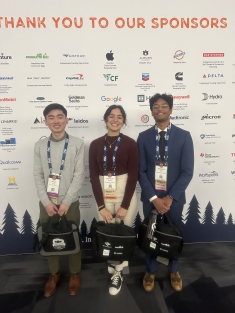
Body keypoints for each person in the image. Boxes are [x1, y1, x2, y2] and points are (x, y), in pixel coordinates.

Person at [137, 93, 194, 292]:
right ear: (151, 111)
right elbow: (141, 170)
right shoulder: (143, 137)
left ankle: (174, 270)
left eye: (163, 106)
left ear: (170, 109)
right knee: (150, 235)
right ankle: (150, 270)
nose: (159, 109)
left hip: (174, 200)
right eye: (155, 106)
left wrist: (169, 198)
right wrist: (154, 198)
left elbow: (188, 171)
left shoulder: (184, 136)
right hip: (150, 199)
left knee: (173, 236)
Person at [34, 103, 84, 297]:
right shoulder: (39, 146)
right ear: (46, 121)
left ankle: (74, 273)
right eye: (51, 117)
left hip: (69, 203)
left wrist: (66, 202)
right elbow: (37, 175)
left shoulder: (77, 144)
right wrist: (46, 202)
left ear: (67, 120)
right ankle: (54, 274)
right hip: (47, 202)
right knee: (49, 237)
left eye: (60, 116)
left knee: (73, 237)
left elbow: (79, 175)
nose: (56, 120)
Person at [89, 105, 138, 295]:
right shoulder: (94, 144)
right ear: (105, 119)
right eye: (111, 116)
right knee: (107, 231)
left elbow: (133, 176)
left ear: (123, 121)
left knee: (124, 230)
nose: (115, 119)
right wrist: (101, 206)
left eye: (119, 117)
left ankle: (118, 271)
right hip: (103, 190)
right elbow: (93, 177)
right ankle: (112, 262)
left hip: (125, 189)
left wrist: (125, 205)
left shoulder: (130, 143)